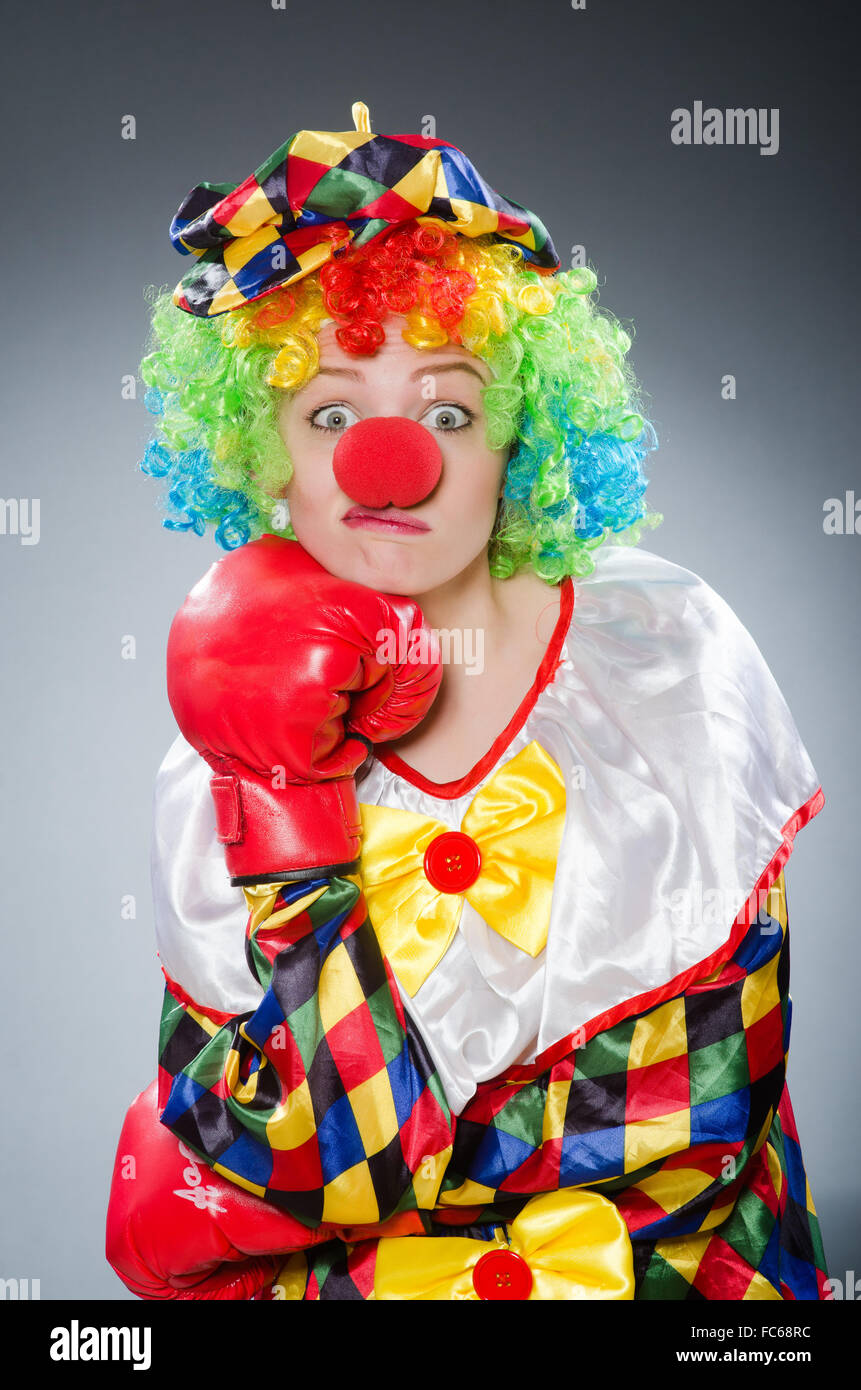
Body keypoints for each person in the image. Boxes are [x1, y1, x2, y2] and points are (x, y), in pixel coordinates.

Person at [106, 103, 828, 1301]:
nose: (392, 464)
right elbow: (328, 1165)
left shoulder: (664, 661)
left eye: (448, 410)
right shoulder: (225, 748)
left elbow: (700, 1124)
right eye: (331, 414)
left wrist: (346, 1187)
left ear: (522, 434)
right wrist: (286, 805)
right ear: (267, 452)